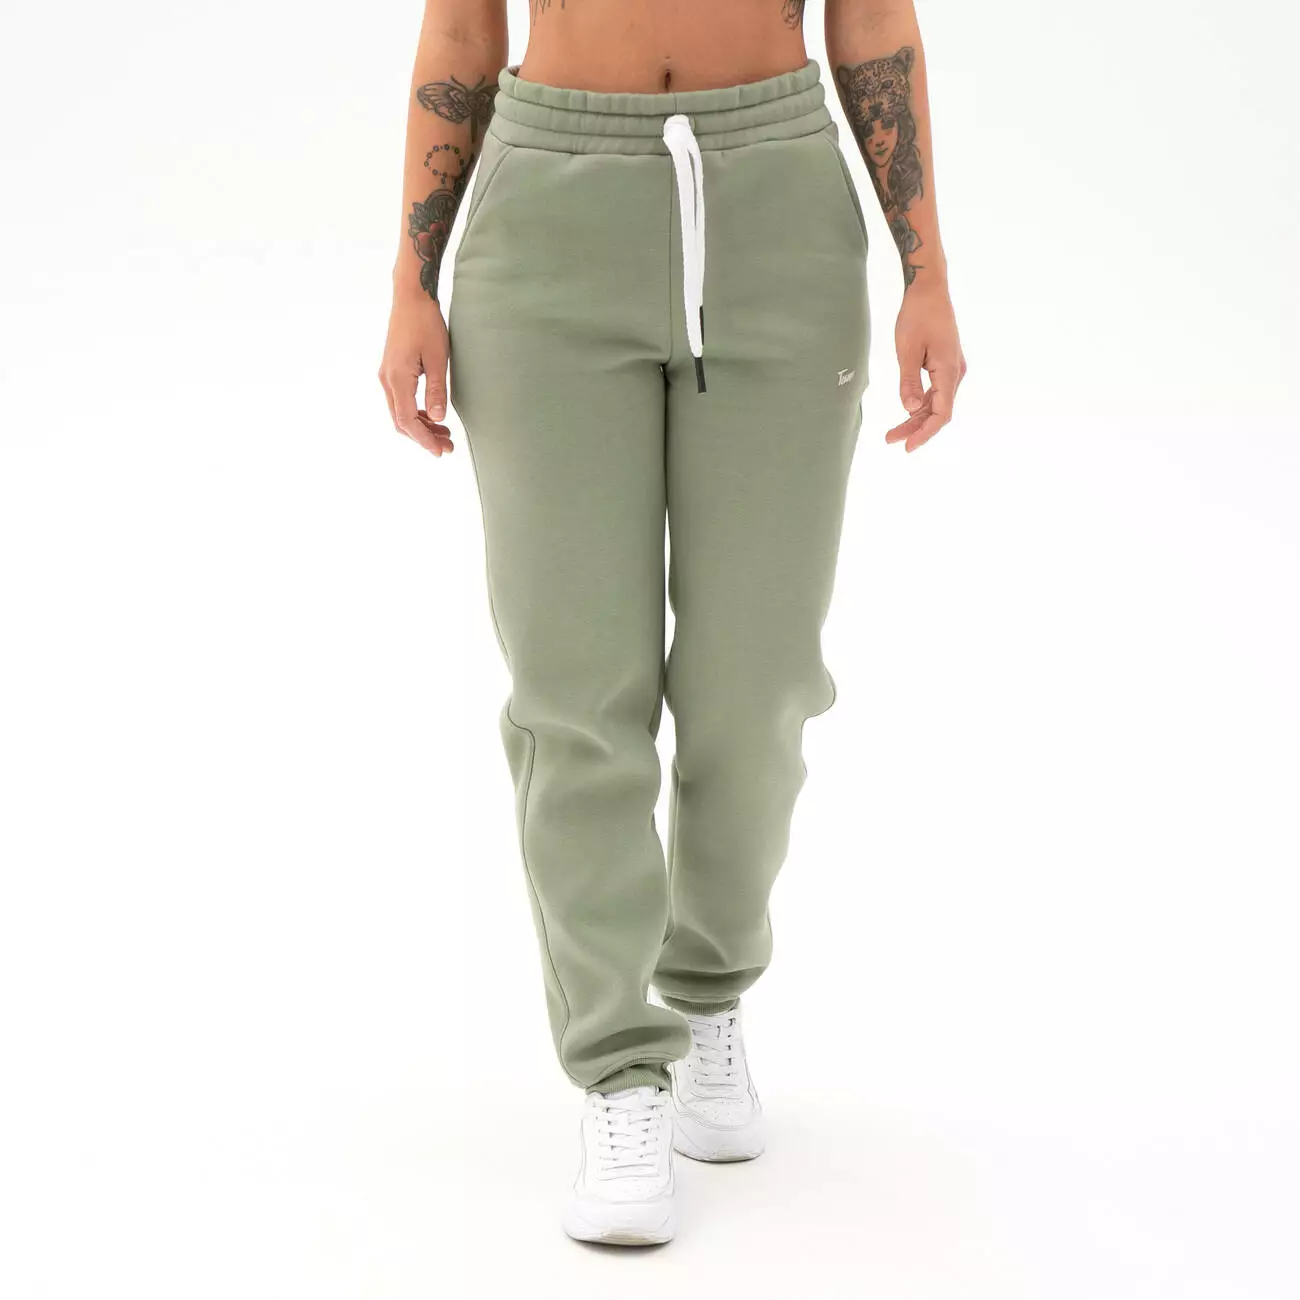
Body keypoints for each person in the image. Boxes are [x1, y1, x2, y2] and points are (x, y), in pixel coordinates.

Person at [378, 0, 965, 1246]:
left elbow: (872, 21)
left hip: (777, 206)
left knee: (758, 684)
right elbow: (462, 34)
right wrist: (409, 284)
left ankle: (705, 992)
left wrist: (927, 272)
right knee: (572, 691)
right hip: (548, 212)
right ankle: (618, 1068)